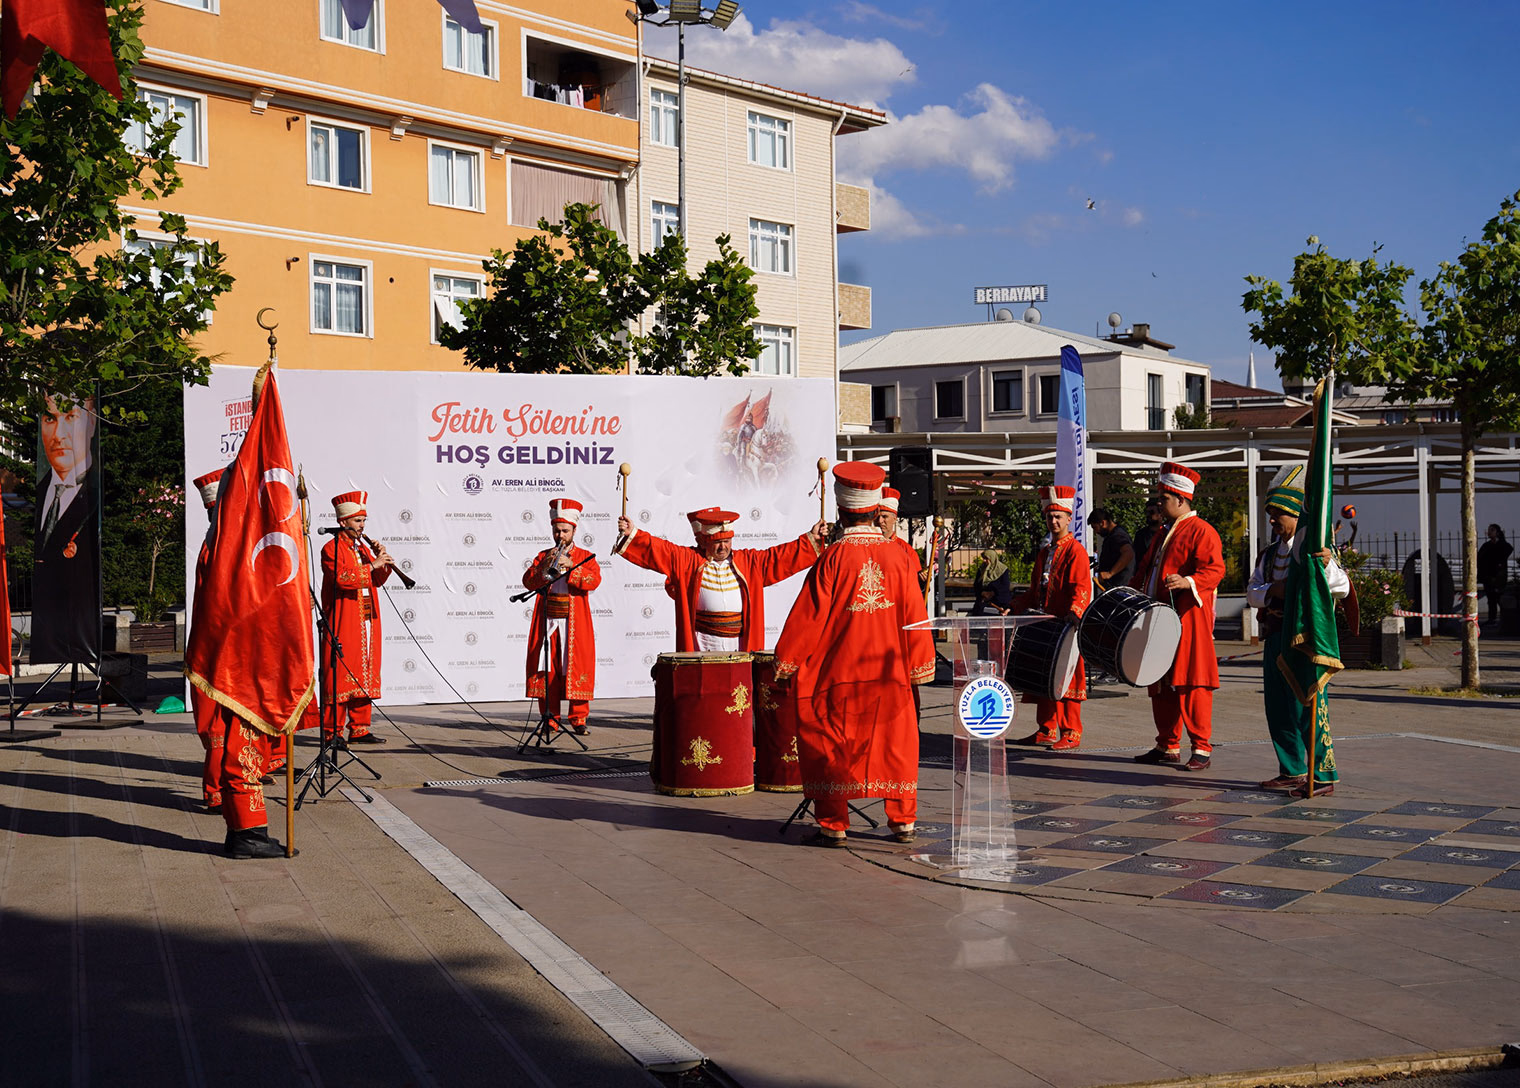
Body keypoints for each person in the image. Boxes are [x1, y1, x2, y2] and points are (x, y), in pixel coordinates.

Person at [773, 462, 935, 846]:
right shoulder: (899, 557)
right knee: (895, 742)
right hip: (888, 672)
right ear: (874, 509)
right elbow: (916, 616)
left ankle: (834, 824)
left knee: (831, 744)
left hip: (838, 676)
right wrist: (919, 664)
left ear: (843, 511)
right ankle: (903, 821)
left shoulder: (832, 558)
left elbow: (808, 617)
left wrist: (786, 661)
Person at [1247, 475, 1350, 794]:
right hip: (1276, 636)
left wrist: (1325, 567)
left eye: (1279, 512)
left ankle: (1321, 774)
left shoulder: (1317, 553)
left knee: (1310, 707)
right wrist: (1274, 590)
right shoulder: (1267, 554)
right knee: (1277, 708)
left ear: (1296, 515)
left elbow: (1342, 588)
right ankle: (1291, 768)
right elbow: (1252, 593)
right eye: (1271, 512)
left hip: (1307, 642)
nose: (1272, 519)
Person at [614, 507, 826, 652]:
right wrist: (632, 532)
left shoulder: (749, 562)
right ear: (705, 541)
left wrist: (811, 538)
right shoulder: (688, 561)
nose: (723, 547)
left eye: (726, 541)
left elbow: (780, 557)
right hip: (703, 640)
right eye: (717, 542)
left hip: (739, 642)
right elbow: (657, 549)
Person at [1130, 462, 1225, 771]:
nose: (1159, 503)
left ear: (1181, 499)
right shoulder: (1163, 532)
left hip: (1187, 619)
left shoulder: (1202, 530)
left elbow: (1215, 569)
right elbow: (1146, 569)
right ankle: (1167, 744)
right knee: (1160, 681)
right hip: (1159, 618)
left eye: (1164, 497)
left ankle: (1201, 748)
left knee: (1192, 681)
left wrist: (1189, 582)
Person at [1009, 486, 1092, 751]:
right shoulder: (1045, 552)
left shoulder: (1075, 550)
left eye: (1058, 517)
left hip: (1065, 625)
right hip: (1044, 624)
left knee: (1068, 678)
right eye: (1050, 517)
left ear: (1069, 519)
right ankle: (1047, 728)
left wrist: (1075, 613)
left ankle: (1071, 731)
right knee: (1043, 676)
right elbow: (1035, 591)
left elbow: (1082, 587)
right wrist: (1014, 605)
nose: (1054, 521)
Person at [319, 490, 395, 745]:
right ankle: (333, 731)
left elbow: (376, 580)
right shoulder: (331, 548)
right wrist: (372, 565)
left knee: (365, 670)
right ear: (343, 522)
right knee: (340, 673)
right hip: (344, 617)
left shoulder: (362, 548)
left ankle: (360, 727)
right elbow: (343, 579)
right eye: (357, 521)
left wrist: (382, 562)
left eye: (364, 521)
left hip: (366, 618)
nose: (362, 526)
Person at [31, 393, 100, 664]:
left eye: (71, 417)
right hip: (48, 631)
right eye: (50, 419)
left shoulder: (98, 497)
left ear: (91, 424)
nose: (58, 434)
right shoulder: (40, 493)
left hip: (81, 631)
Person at [523, 498, 601, 735]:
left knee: (576, 668)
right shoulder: (543, 555)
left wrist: (572, 566)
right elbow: (528, 582)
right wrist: (545, 565)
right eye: (557, 531)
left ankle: (579, 719)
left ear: (574, 530)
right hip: (548, 621)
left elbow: (594, 581)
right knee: (548, 669)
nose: (560, 535)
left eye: (565, 531)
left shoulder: (585, 556)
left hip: (574, 622)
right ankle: (550, 718)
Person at [876, 487, 932, 591]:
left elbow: (915, 585)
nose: (880, 521)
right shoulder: (868, 544)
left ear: (894, 519)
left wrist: (922, 579)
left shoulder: (906, 550)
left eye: (884, 517)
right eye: (877, 517)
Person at [1088, 507, 1136, 590]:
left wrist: (1110, 573)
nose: (1096, 532)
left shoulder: (1117, 535)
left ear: (1102, 523)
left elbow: (1128, 553)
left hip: (1120, 587)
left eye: (1095, 528)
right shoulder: (1113, 535)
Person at [1477, 524, 1513, 626]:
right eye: (1489, 530)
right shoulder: (1486, 546)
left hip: (1499, 577)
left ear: (1497, 532)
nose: (1489, 532)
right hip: (1488, 577)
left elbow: (1507, 550)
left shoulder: (1503, 545)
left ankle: (1505, 619)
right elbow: (1479, 558)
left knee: (1499, 598)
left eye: (1492, 530)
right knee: (1491, 599)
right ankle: (1492, 618)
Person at [968, 549, 1014, 615]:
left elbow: (1005, 587)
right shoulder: (982, 569)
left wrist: (993, 593)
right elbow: (977, 585)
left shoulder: (1003, 570)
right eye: (983, 558)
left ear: (992, 558)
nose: (984, 561)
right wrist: (982, 593)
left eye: (986, 559)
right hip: (983, 603)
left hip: (998, 604)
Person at [1132, 502, 1164, 568]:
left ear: (1160, 514)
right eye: (1146, 512)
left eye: (1152, 512)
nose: (1148, 515)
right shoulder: (1140, 535)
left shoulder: (1166, 533)